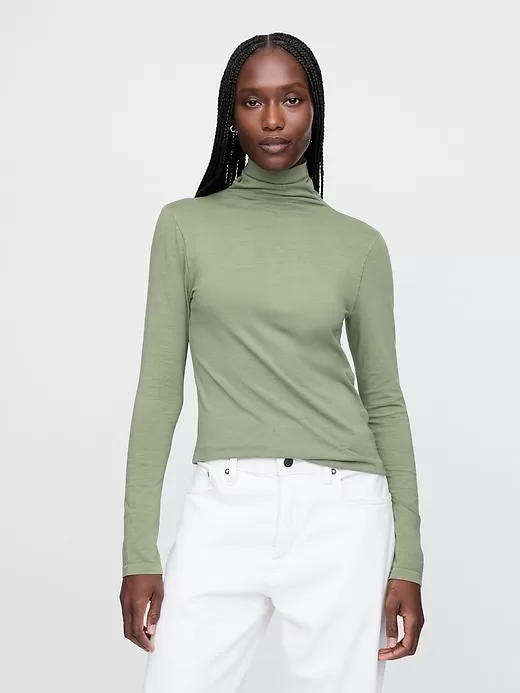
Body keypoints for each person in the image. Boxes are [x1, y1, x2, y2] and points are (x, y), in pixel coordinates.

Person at [119, 31, 425, 693]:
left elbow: (384, 400)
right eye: (254, 101)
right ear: (231, 116)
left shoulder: (359, 245)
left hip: (343, 510)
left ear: (315, 109)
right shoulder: (184, 227)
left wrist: (410, 561)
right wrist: (138, 551)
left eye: (291, 98)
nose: (274, 118)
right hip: (224, 504)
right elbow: (158, 391)